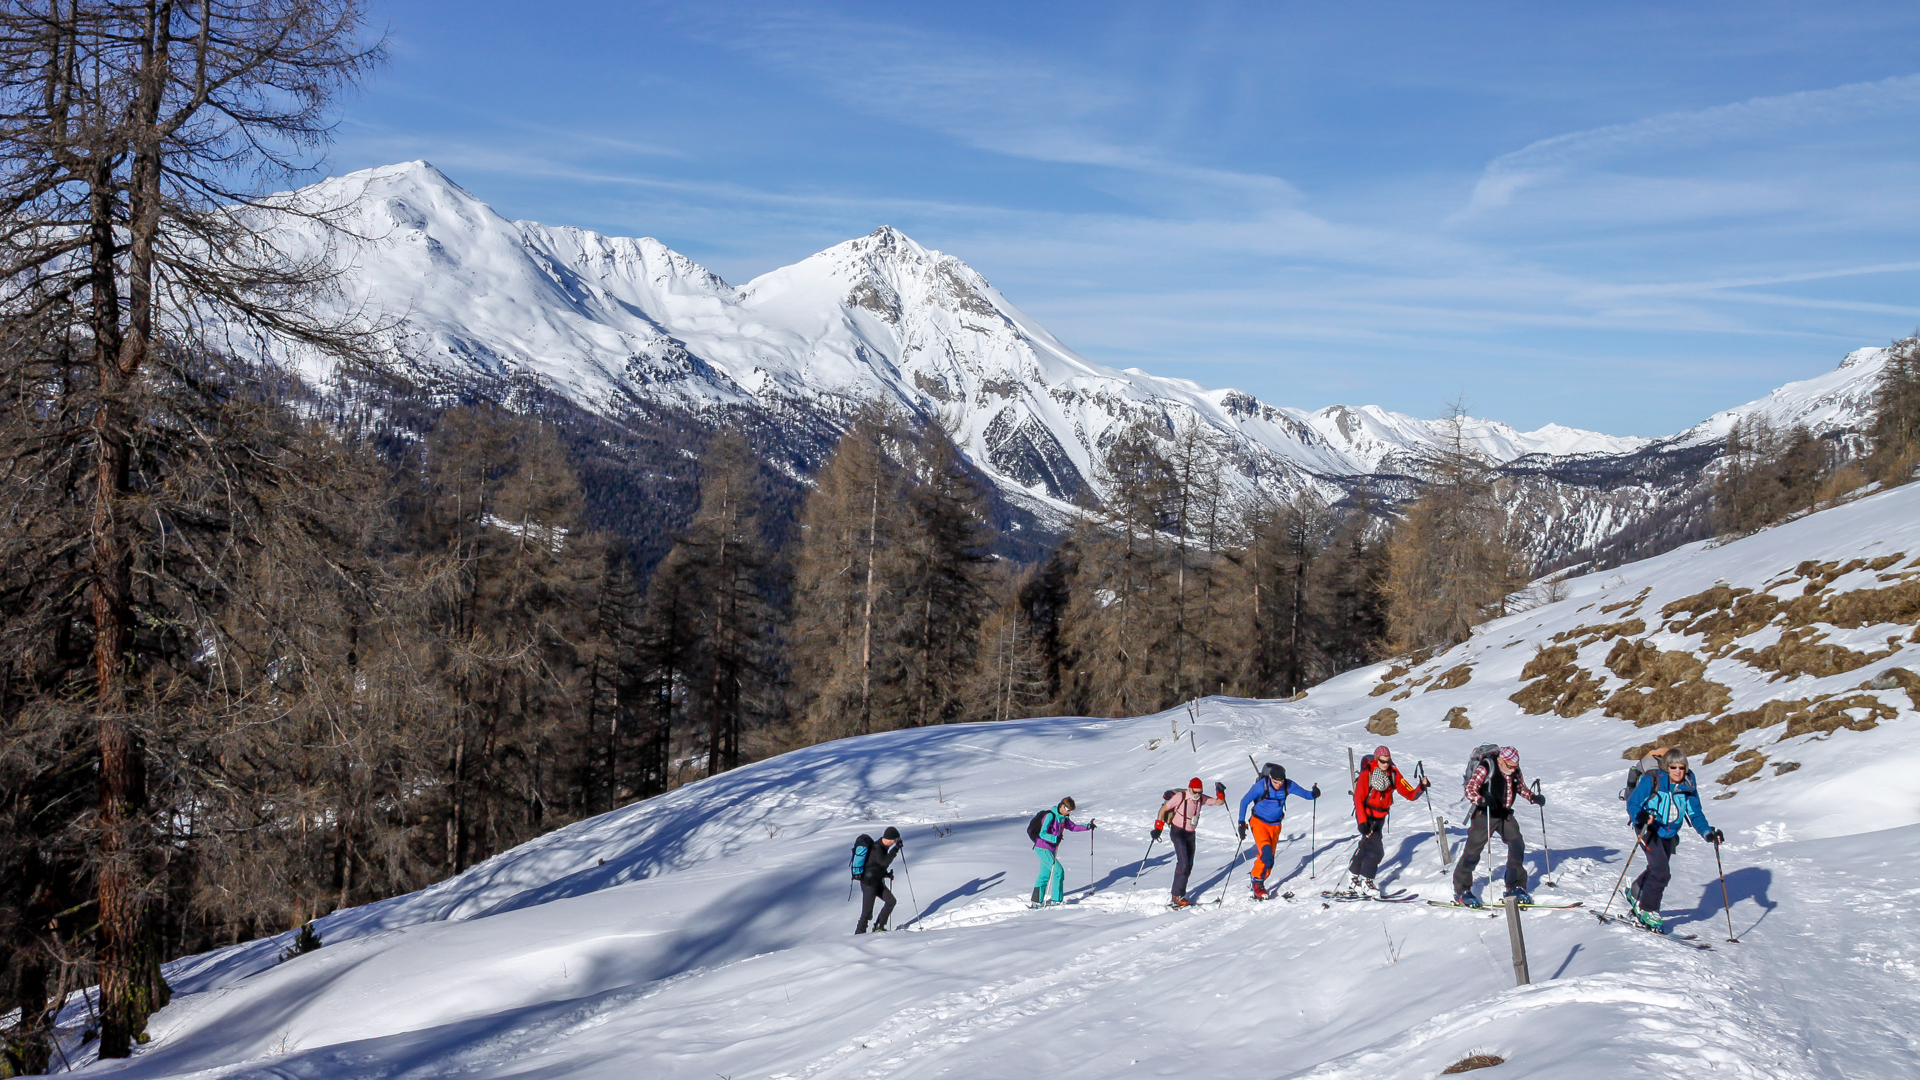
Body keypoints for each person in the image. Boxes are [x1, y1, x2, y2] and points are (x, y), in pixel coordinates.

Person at [1624, 748, 1723, 932]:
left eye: (1682, 767)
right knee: (1661, 871)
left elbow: (1695, 813)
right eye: (1673, 767)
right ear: (1666, 768)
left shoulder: (1687, 785)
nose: (1678, 771)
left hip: (1669, 832)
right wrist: (1641, 816)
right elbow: (1633, 803)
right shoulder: (1651, 780)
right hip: (1648, 828)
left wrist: (1708, 833)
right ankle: (1648, 910)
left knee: (1656, 868)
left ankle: (1636, 891)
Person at [1453, 745, 1544, 907]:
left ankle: (1515, 885)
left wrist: (1532, 797)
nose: (1513, 770)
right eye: (1510, 766)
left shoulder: (1514, 770)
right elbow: (1470, 790)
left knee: (1517, 844)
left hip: (1504, 814)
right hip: (1485, 814)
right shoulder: (1487, 767)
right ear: (1501, 760)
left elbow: (1519, 787)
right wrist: (1481, 800)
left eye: (1516, 767)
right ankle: (1462, 890)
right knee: (1473, 851)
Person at [1347, 745, 1425, 897]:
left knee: (1366, 846)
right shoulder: (1367, 772)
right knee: (1377, 850)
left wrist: (1421, 787)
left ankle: (1352, 877)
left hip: (1380, 817)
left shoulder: (1393, 772)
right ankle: (1366, 881)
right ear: (1376, 760)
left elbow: (1409, 793)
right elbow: (1358, 798)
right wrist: (1362, 823)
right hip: (1367, 815)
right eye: (1382, 761)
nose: (1385, 764)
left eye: (1388, 761)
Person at [1237, 763, 1318, 898]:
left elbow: (1306, 795)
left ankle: (1259, 880)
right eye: (1275, 782)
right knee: (1266, 853)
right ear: (1270, 777)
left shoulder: (1288, 785)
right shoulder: (1261, 786)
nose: (1278, 785)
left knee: (1270, 860)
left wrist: (1314, 793)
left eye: (1280, 782)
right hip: (1259, 822)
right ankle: (1257, 882)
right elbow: (1244, 801)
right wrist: (1241, 822)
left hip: (1275, 825)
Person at [1155, 778, 1226, 906]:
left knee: (1189, 864)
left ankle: (1181, 893)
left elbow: (1219, 802)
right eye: (1195, 792)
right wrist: (1158, 827)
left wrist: (1220, 792)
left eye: (1200, 792)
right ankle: (1176, 895)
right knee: (1183, 861)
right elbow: (1164, 809)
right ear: (1190, 789)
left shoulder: (1201, 798)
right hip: (1177, 832)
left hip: (1190, 834)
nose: (1197, 795)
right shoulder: (1180, 796)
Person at [1032, 797, 1094, 907]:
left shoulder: (1063, 818)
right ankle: (1056, 901)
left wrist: (1088, 826)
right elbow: (1042, 833)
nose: (1068, 812)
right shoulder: (1050, 816)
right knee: (1058, 871)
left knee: (1044, 875)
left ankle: (1036, 902)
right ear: (1061, 805)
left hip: (1050, 849)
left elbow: (1073, 827)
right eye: (1067, 809)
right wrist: (1055, 839)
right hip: (1042, 848)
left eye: (1070, 810)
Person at [856, 827, 902, 933]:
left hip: (877, 882)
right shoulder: (877, 848)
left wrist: (886, 874)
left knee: (891, 901)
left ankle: (879, 926)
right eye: (895, 840)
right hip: (869, 884)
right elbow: (884, 862)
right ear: (890, 839)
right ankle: (858, 936)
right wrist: (896, 849)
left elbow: (876, 866)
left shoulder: (883, 848)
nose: (895, 843)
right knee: (866, 913)